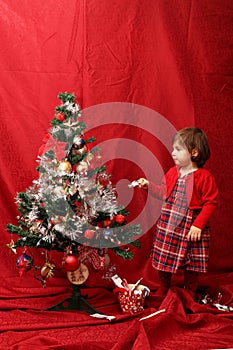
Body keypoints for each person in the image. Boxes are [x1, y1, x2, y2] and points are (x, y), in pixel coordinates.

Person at [138, 127, 218, 301]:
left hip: (191, 227)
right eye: (173, 148)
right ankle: (164, 287)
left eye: (178, 149)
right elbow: (163, 192)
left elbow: (210, 203)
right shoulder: (173, 172)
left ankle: (190, 291)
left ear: (194, 153)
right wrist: (148, 186)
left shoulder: (204, 177)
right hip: (170, 225)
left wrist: (198, 225)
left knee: (192, 263)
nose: (173, 153)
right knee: (163, 257)